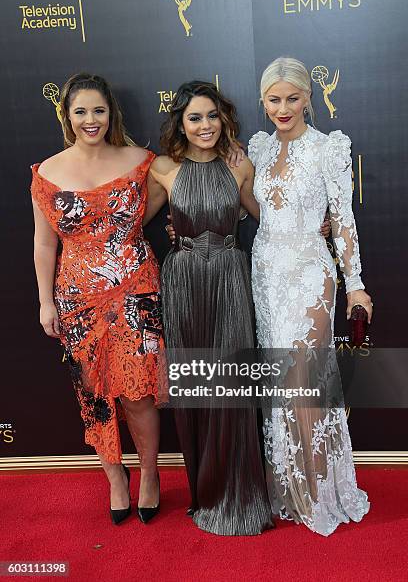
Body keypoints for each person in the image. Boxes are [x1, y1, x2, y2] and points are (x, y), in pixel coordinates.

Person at [31, 73, 163, 525]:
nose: (91, 120)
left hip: (135, 294)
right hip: (76, 301)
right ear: (67, 116)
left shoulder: (142, 160)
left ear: (112, 113)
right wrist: (46, 302)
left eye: (99, 110)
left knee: (138, 394)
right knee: (95, 395)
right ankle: (115, 479)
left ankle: (149, 475)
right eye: (81, 111)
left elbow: (189, 176)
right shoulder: (47, 173)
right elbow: (45, 243)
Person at [144, 80, 275, 535]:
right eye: (195, 117)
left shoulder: (238, 165)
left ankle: (236, 495)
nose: (205, 126)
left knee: (231, 387)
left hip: (228, 275)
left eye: (212, 116)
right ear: (180, 122)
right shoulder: (163, 168)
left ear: (224, 119)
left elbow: (262, 215)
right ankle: (203, 488)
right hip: (183, 283)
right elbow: (133, 222)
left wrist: (308, 225)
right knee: (197, 387)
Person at [249, 57, 372, 535]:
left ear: (308, 98)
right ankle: (289, 488)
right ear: (264, 102)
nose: (284, 108)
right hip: (266, 271)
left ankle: (321, 489)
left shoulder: (328, 148)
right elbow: (255, 207)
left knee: (305, 378)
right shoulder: (256, 149)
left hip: (309, 274)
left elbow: (343, 218)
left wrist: (355, 282)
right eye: (274, 99)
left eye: (293, 98)